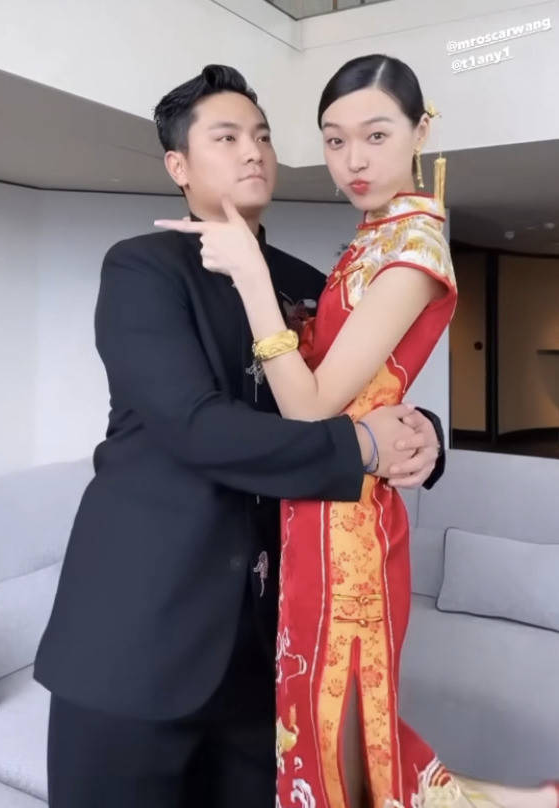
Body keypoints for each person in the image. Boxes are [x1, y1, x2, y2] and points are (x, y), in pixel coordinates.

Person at [34, 64, 446, 808]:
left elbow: (361, 386)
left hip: (270, 649)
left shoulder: (306, 281)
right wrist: (362, 449)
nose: (253, 150)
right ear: (179, 167)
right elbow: (194, 428)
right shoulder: (142, 269)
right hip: (138, 635)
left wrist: (424, 435)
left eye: (262, 135)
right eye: (226, 138)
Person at [160, 56, 559, 808]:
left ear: (421, 131)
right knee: (317, 729)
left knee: (336, 738)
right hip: (311, 510)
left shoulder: (413, 248)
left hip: (346, 524)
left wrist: (250, 276)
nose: (354, 161)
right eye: (335, 140)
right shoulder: (369, 242)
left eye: (376, 135)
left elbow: (313, 408)